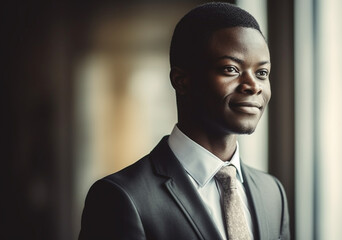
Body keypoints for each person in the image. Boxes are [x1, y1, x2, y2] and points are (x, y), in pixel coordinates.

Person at [79, 2, 290, 240]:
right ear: (181, 80)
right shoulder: (120, 197)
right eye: (231, 69)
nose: (253, 86)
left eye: (261, 73)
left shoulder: (273, 193)